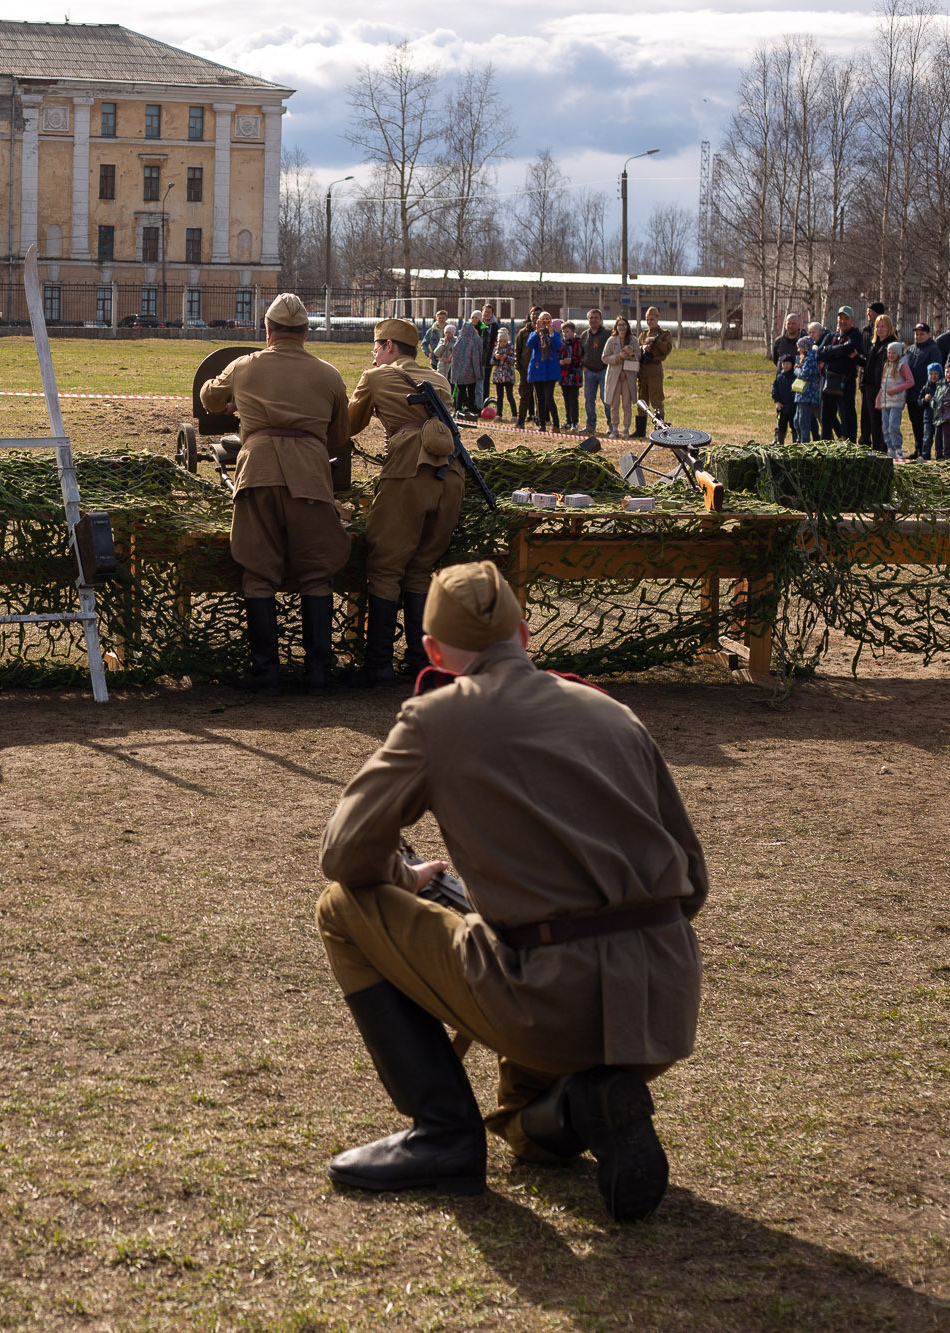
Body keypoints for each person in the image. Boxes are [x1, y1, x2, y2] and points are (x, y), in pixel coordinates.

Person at [314, 561, 707, 1222]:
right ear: (525, 633)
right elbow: (693, 882)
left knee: (339, 910)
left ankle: (441, 1134)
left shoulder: (437, 717)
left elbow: (344, 853)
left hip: (548, 999)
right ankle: (589, 1104)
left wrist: (402, 876)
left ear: (432, 649)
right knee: (523, 1126)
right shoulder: (613, 712)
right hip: (661, 1009)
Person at [201, 292, 352, 695]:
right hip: (311, 478)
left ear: (267, 331)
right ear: (305, 333)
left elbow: (208, 398)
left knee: (258, 571)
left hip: (258, 473)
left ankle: (265, 672)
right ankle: (318, 672)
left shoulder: (246, 365)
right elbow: (340, 435)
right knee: (317, 573)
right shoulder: (328, 374)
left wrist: (237, 401)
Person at [347, 318, 465, 686]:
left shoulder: (376, 376)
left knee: (385, 566)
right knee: (420, 567)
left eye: (376, 348)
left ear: (389, 347)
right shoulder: (441, 380)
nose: (374, 355)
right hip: (452, 475)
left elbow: (346, 426)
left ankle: (379, 664)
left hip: (408, 472)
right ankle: (420, 663)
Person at [814, 306, 865, 441]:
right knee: (826, 418)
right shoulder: (831, 336)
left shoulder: (855, 335)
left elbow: (850, 348)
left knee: (847, 416)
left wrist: (829, 351)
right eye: (840, 318)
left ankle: (850, 445)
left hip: (845, 382)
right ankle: (825, 444)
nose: (843, 321)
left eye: (846, 319)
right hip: (829, 382)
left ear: (852, 320)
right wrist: (837, 350)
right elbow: (819, 353)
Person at [632, 306, 674, 437]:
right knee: (642, 400)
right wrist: (644, 347)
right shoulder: (643, 334)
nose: (650, 322)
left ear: (657, 318)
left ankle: (660, 431)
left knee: (656, 401)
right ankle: (640, 431)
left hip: (655, 369)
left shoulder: (664, 334)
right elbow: (636, 348)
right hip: (643, 369)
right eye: (647, 319)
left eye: (652, 319)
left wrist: (655, 341)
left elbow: (667, 349)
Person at [859, 312, 895, 453]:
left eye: (883, 327)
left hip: (882, 387)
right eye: (877, 327)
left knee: (881, 421)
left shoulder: (890, 345)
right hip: (869, 386)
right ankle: (874, 448)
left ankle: (881, 450)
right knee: (870, 420)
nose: (880, 329)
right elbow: (869, 364)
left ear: (889, 328)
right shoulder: (874, 345)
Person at [902, 322, 938, 459]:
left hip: (925, 393)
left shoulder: (933, 349)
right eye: (916, 334)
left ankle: (924, 452)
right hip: (911, 394)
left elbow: (936, 370)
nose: (918, 336)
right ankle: (917, 449)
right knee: (915, 422)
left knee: (925, 425)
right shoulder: (911, 349)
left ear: (928, 335)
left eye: (922, 334)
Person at [873, 342, 914, 461]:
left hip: (896, 401)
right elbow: (883, 385)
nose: (891, 355)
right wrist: (878, 399)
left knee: (893, 425)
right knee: (885, 426)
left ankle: (898, 448)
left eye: (893, 353)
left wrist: (894, 390)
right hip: (886, 401)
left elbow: (910, 382)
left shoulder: (902, 365)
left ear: (898, 353)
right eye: (889, 353)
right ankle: (889, 448)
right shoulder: (887, 365)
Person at [525, 312, 564, 433]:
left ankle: (556, 424)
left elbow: (558, 346)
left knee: (549, 397)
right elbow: (530, 344)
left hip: (550, 369)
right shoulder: (535, 334)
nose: (545, 322)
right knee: (539, 398)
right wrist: (537, 331)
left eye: (548, 320)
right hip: (537, 369)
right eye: (543, 320)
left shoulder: (555, 334)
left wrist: (551, 333)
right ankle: (541, 424)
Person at [602, 319, 639, 437]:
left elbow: (639, 356)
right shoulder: (611, 340)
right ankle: (615, 428)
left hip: (628, 376)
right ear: (616, 327)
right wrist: (618, 356)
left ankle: (626, 429)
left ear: (627, 326)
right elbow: (605, 358)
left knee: (627, 404)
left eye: (624, 325)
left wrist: (631, 354)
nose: (622, 327)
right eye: (619, 325)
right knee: (614, 403)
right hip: (614, 376)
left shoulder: (633, 340)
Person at [581, 309, 609, 434]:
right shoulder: (584, 335)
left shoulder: (607, 334)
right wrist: (584, 366)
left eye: (596, 317)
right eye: (591, 317)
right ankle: (590, 425)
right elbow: (580, 352)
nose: (593, 320)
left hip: (604, 371)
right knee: (589, 400)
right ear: (588, 319)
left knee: (606, 399)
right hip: (589, 372)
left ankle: (611, 426)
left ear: (600, 319)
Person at [514, 307, 539, 428]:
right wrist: (518, 365)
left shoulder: (544, 332)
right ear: (530, 316)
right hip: (525, 369)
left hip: (540, 369)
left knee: (540, 397)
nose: (536, 316)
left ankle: (540, 421)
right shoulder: (523, 332)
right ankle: (520, 421)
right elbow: (517, 349)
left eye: (538, 314)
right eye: (534, 314)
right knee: (524, 396)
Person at [792, 335, 821, 443]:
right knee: (797, 420)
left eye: (800, 347)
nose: (798, 349)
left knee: (803, 421)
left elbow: (804, 375)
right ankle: (799, 440)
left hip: (806, 394)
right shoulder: (804, 359)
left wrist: (796, 370)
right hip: (801, 394)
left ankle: (804, 442)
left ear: (806, 347)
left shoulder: (809, 359)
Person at [560, 320, 585, 433]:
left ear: (573, 331)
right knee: (566, 399)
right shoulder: (562, 344)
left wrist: (573, 360)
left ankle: (575, 422)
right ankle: (568, 421)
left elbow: (582, 358)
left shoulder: (578, 343)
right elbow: (558, 356)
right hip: (564, 376)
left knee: (573, 399)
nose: (565, 334)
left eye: (567, 331)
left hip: (575, 376)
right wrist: (561, 361)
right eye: (563, 332)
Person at [490, 327, 517, 421]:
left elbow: (514, 360)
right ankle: (499, 414)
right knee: (499, 396)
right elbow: (491, 361)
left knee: (510, 396)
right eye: (500, 341)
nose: (502, 343)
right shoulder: (496, 348)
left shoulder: (511, 347)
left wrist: (506, 357)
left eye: (504, 341)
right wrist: (495, 357)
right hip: (498, 376)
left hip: (508, 375)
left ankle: (514, 414)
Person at [771, 355, 797, 446]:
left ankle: (795, 444)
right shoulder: (779, 377)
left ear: (792, 364)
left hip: (793, 407)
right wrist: (777, 402)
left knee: (794, 427)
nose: (785, 366)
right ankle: (780, 444)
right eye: (783, 363)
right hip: (781, 408)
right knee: (781, 427)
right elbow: (775, 390)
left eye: (788, 364)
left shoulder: (795, 377)